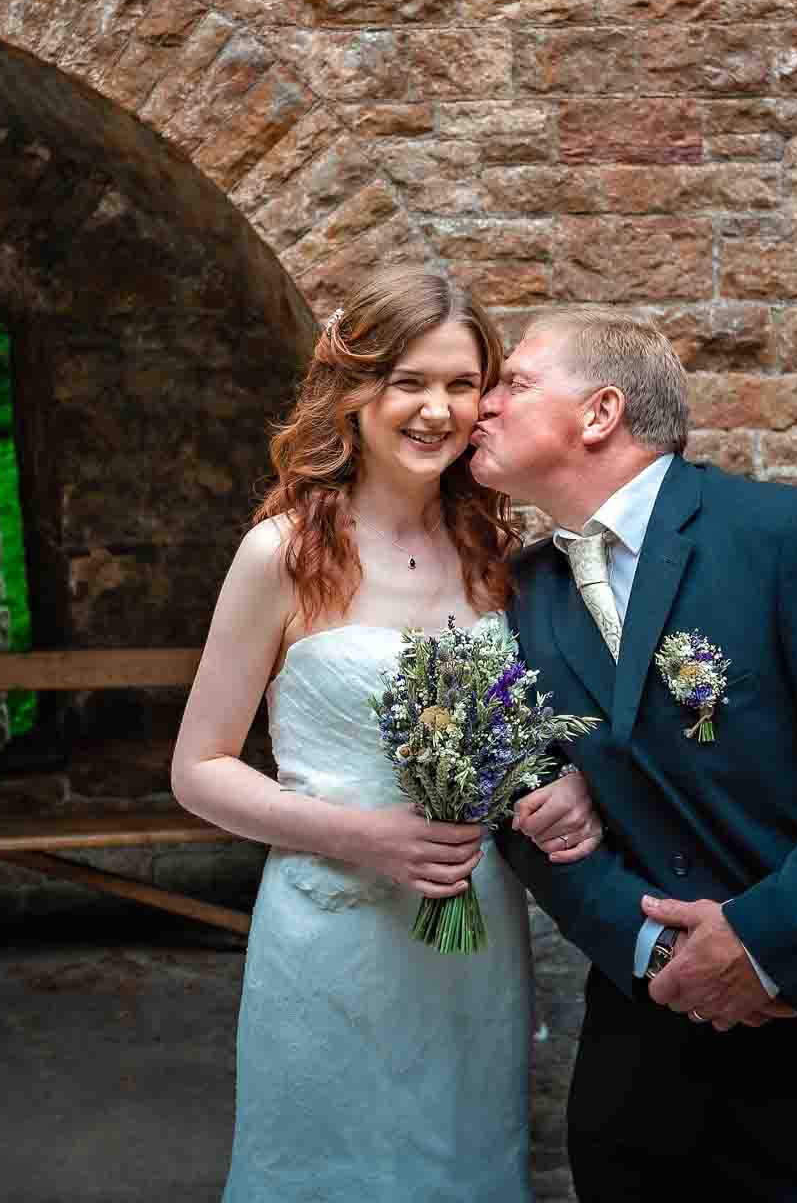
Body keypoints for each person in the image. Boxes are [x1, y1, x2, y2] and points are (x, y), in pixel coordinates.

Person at [470, 307, 797, 1203]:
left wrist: (759, 945)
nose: (482, 404)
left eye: (514, 383)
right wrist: (648, 948)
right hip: (643, 1086)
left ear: (600, 413)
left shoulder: (787, 538)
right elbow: (520, 808)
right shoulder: (521, 595)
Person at [170, 269, 603, 1203]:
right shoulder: (281, 555)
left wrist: (558, 787)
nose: (436, 410)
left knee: (463, 1161)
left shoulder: (495, 551)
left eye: (461, 385)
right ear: (356, 388)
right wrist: (361, 835)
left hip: (471, 934)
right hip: (333, 928)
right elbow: (197, 770)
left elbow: (524, 734)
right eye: (410, 380)